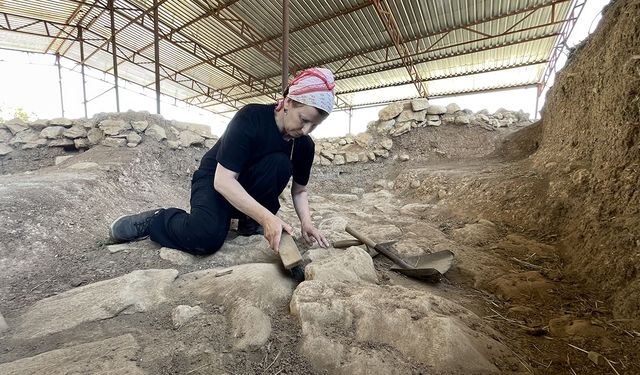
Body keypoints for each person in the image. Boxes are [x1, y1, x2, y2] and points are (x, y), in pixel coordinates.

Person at [109, 67, 335, 256]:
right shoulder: (251, 118)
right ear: (288, 102)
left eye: (315, 125)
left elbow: (299, 191)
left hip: (247, 190)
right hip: (215, 180)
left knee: (280, 163)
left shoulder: (305, 145)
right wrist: (267, 217)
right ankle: (156, 220)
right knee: (205, 238)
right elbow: (223, 180)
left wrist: (307, 223)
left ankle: (250, 222)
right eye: (304, 120)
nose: (306, 130)